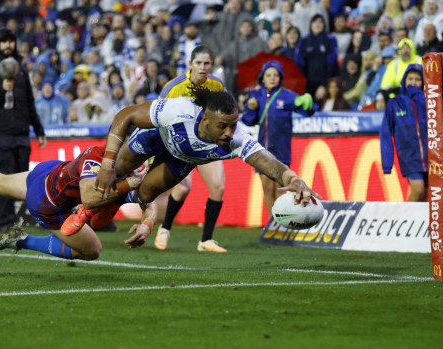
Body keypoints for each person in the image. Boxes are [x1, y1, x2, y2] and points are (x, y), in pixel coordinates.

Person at [91, 85, 318, 250]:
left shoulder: (236, 138)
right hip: (155, 137)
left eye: (233, 125)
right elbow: (125, 115)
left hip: (181, 160)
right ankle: (84, 184)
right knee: (117, 169)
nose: (229, 132)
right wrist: (107, 165)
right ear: (205, 121)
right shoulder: (179, 110)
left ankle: (107, 204)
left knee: (145, 194)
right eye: (222, 126)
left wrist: (294, 181)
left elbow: (269, 162)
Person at [0, 133, 156, 260]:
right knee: (91, 251)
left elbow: (148, 197)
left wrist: (147, 223)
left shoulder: (128, 163)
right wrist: (128, 186)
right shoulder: (97, 161)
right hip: (46, 202)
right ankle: (24, 240)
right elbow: (89, 198)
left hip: (49, 171)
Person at [153, 46, 227, 252]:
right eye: (199, 63)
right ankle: (165, 227)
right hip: (179, 144)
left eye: (207, 63)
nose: (203, 67)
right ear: (190, 64)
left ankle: (206, 240)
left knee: (218, 188)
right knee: (183, 187)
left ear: (211, 64)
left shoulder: (217, 85)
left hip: (206, 143)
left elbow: (226, 112)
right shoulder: (173, 87)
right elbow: (157, 119)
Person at [0, 28, 47, 234]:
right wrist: (2, 87)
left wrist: (38, 129)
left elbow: (29, 102)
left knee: (21, 177)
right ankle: (4, 223)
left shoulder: (22, 71)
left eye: (12, 41)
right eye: (4, 42)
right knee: (6, 175)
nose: (9, 45)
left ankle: (15, 219)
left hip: (20, 132)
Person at [241, 60, 315, 217]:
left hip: (281, 151)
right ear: (262, 78)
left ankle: (284, 222)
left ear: (280, 78)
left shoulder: (287, 96)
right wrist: (250, 109)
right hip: (260, 151)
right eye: (269, 75)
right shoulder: (255, 96)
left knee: (280, 189)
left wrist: (308, 103)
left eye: (276, 75)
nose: (272, 78)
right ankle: (272, 224)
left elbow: (307, 111)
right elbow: (248, 120)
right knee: (267, 187)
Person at [380, 64, 428, 202]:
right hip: (409, 156)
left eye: (418, 79)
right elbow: (385, 134)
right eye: (410, 78)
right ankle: (406, 220)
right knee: (418, 190)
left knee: (428, 197)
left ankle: (423, 224)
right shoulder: (394, 104)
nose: (413, 83)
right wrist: (387, 164)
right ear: (404, 80)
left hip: (430, 155)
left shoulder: (428, 102)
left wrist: (420, 97)